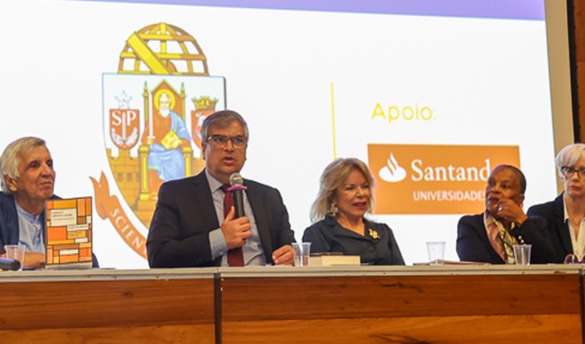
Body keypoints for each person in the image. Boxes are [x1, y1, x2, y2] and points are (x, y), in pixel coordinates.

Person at [147, 110, 295, 267]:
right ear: (204, 149)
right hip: (207, 289)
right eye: (219, 140)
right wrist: (220, 240)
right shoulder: (176, 195)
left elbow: (289, 248)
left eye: (238, 140)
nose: (229, 147)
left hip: (262, 288)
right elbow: (159, 256)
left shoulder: (269, 197)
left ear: (246, 150)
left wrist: (292, 256)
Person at [0, 136, 96, 268]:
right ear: (11, 181)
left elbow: (87, 263)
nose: (47, 172)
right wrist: (53, 260)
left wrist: (37, 259)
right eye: (34, 166)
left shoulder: (64, 210)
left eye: (49, 164)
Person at [302, 158, 405, 265]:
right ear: (332, 196)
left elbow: (403, 276)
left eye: (365, 187)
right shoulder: (319, 233)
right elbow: (319, 279)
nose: (361, 194)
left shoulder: (383, 231)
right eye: (350, 188)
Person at [527, 143, 585, 263]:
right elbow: (536, 262)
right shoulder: (541, 214)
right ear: (561, 175)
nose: (574, 177)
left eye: (584, 171)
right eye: (569, 170)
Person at [456, 164, 556, 264]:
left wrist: (521, 220)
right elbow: (477, 266)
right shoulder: (470, 225)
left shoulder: (537, 225)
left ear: (519, 199)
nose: (495, 189)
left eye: (504, 186)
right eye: (491, 183)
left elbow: (548, 262)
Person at [147, 89, 193, 183]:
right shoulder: (153, 119)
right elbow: (145, 136)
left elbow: (185, 135)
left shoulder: (176, 119)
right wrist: (148, 140)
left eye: (166, 102)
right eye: (162, 102)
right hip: (156, 150)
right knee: (152, 157)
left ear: (169, 103)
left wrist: (179, 142)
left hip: (172, 151)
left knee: (177, 158)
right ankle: (155, 191)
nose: (164, 105)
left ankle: (175, 190)